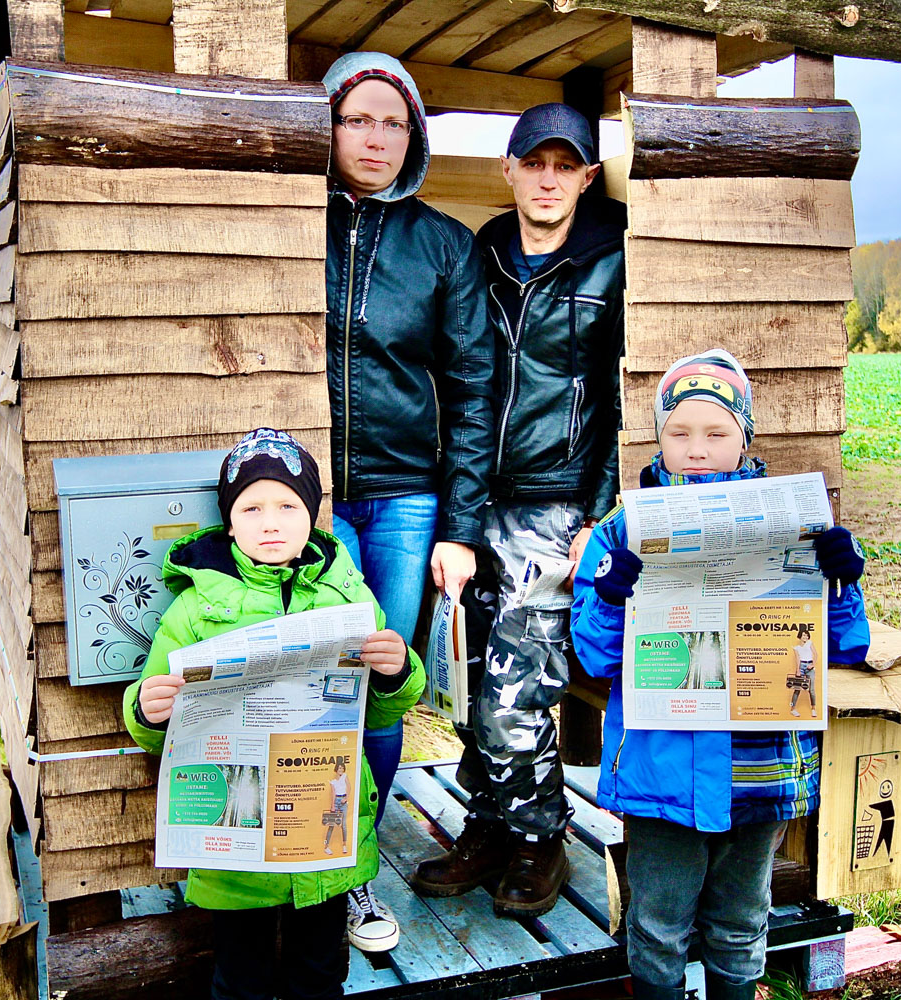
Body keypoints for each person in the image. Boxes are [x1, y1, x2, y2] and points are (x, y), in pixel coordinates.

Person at [570, 350, 870, 1000]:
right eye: (679, 433)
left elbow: (846, 648)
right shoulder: (621, 534)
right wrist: (612, 596)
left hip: (760, 772)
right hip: (662, 777)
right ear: (658, 437)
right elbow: (593, 658)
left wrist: (842, 582)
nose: (697, 449)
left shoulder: (796, 526)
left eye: (717, 433)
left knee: (741, 925)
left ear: (745, 437)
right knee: (656, 928)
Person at [410, 103, 625, 918]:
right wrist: (458, 521)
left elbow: (619, 398)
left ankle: (541, 837)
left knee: (516, 687)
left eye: (564, 166)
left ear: (586, 178)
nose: (547, 179)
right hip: (474, 496)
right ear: (508, 169)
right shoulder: (482, 256)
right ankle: (492, 826)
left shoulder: (613, 261)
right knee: (467, 677)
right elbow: (463, 387)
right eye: (534, 163)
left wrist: (596, 517)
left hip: (557, 502)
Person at [121, 428, 425, 997]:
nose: (270, 522)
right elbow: (151, 715)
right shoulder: (193, 606)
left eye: (288, 506)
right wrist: (150, 709)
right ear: (228, 521)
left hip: (326, 833)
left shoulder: (348, 595)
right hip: (236, 851)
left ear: (311, 517)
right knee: (242, 981)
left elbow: (381, 708)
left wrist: (396, 669)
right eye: (251, 507)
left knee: (320, 975)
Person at [322, 51, 496, 947]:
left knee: (382, 681)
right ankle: (297, 855)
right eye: (360, 118)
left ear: (416, 136)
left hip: (403, 502)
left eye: (396, 122)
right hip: (306, 500)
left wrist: (460, 526)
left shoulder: (444, 245)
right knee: (316, 681)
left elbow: (473, 393)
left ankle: (352, 869)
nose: (377, 138)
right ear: (330, 123)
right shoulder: (289, 225)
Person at [790, 626, 817, 718]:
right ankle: (792, 709)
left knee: (812, 690)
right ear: (800, 636)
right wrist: (797, 670)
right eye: (803, 635)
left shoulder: (810, 643)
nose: (805, 637)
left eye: (807, 635)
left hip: (809, 666)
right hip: (801, 666)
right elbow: (797, 659)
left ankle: (813, 709)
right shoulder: (796, 648)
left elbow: (815, 654)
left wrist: (813, 664)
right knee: (797, 689)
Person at [325, 761, 351, 855]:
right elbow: (333, 794)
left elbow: (349, 787)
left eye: (342, 768)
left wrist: (346, 798)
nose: (341, 770)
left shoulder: (345, 776)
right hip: (336, 801)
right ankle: (326, 846)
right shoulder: (333, 782)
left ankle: (344, 844)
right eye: (339, 768)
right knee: (331, 824)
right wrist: (332, 806)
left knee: (343, 825)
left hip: (343, 801)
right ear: (336, 769)